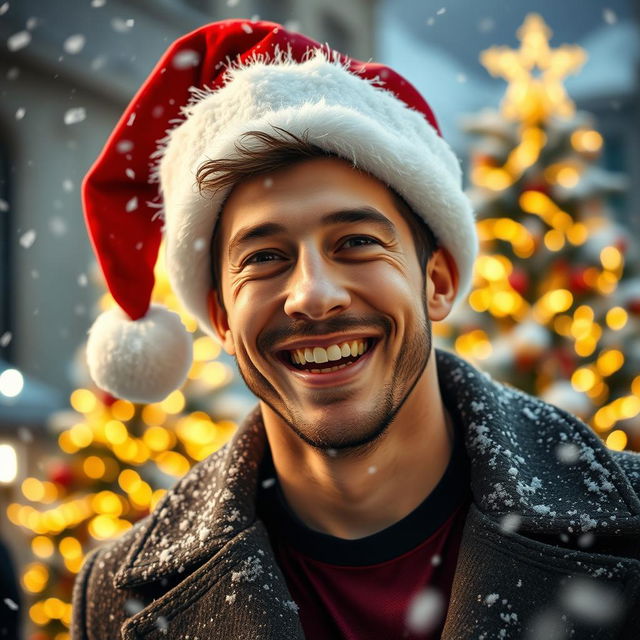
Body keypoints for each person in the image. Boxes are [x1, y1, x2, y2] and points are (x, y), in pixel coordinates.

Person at [72, 20, 640, 640]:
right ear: (219, 318)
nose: (313, 294)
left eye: (357, 242)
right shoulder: (116, 595)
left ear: (439, 282)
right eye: (264, 256)